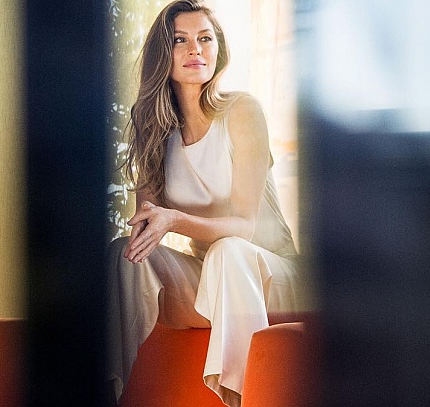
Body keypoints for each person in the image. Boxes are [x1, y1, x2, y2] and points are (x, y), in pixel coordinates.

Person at [106, 1, 303, 406]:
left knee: (229, 251)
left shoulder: (242, 110)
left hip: (271, 277)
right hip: (210, 282)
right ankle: (108, 391)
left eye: (205, 38)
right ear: (164, 54)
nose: (195, 49)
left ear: (219, 50)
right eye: (181, 40)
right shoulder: (156, 131)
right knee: (125, 255)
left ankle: (241, 398)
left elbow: (244, 226)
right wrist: (148, 223)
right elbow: (148, 226)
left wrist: (174, 219)